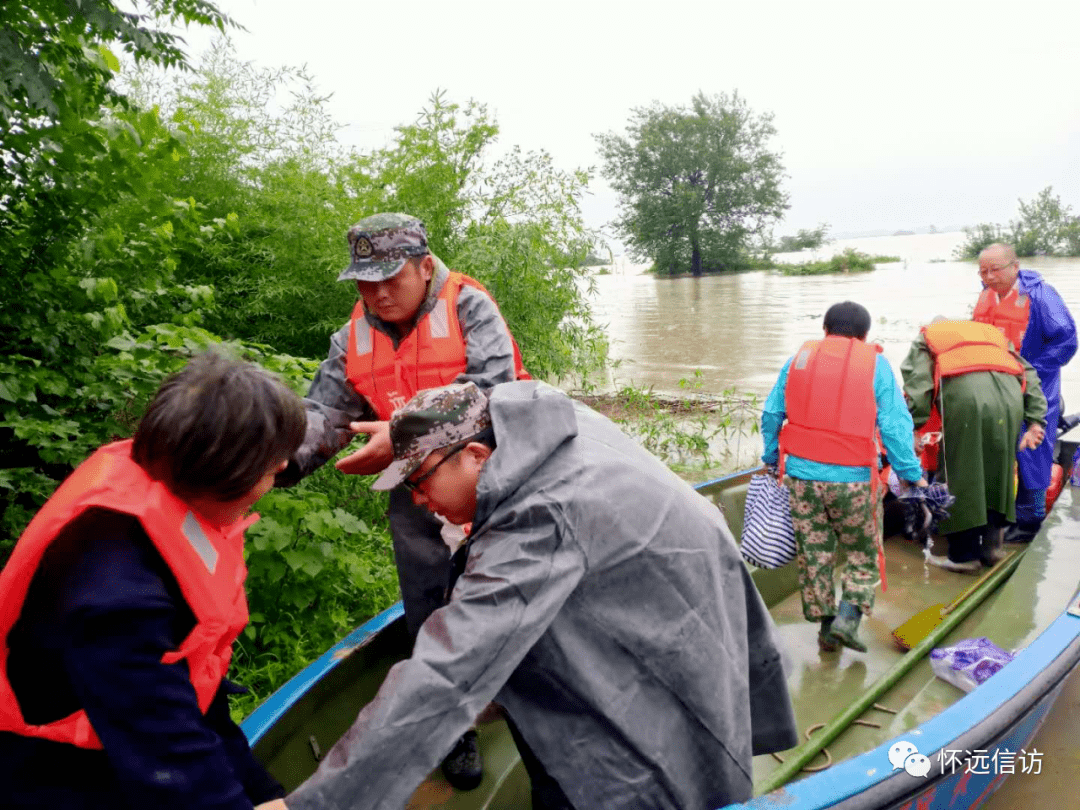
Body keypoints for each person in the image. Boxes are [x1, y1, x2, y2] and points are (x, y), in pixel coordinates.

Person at [265, 380, 798, 810]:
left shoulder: (538, 522)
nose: (419, 501)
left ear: (476, 455)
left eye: (420, 480)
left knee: (646, 775)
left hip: (666, 646)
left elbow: (446, 677)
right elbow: (488, 396)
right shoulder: (537, 425)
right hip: (683, 603)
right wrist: (408, 433)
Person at [275, 212, 529, 790]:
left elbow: (495, 391)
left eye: (391, 277)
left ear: (423, 266)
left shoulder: (469, 306)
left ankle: (527, 698)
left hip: (490, 477)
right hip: (417, 491)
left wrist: (406, 430)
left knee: (507, 592)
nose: (378, 293)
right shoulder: (353, 334)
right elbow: (326, 411)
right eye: (366, 281)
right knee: (427, 607)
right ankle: (453, 728)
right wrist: (281, 460)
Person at [0, 351, 305, 810]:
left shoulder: (176, 485)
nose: (281, 469)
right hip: (51, 769)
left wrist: (261, 791)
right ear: (225, 474)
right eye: (270, 465)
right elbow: (167, 755)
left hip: (121, 728)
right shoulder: (117, 598)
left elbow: (193, 685)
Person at [761, 301, 926, 653]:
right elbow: (895, 427)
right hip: (853, 481)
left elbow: (772, 413)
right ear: (865, 335)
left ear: (825, 329)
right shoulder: (876, 365)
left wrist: (772, 458)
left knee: (815, 554)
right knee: (862, 552)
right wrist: (910, 474)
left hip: (801, 480)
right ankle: (848, 620)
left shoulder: (797, 361)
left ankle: (825, 628)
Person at [901, 318, 1047, 573]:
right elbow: (1029, 374)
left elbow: (918, 385)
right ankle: (993, 549)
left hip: (966, 400)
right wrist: (1036, 420)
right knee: (1000, 473)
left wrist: (913, 426)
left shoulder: (928, 338)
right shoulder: (992, 335)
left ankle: (963, 557)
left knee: (961, 476)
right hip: (1011, 400)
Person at [974, 243, 1077, 542]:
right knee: (1000, 449)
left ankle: (1030, 521)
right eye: (983, 271)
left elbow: (1067, 341)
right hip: (996, 387)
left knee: (1033, 450)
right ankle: (1004, 513)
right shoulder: (986, 296)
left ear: (1015, 266)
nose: (989, 276)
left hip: (1035, 387)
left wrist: (1030, 370)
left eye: (996, 269)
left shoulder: (1042, 296)